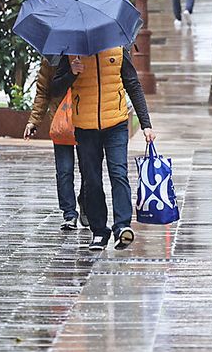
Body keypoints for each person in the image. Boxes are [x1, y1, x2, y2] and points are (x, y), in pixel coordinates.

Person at [42, 47, 154, 251]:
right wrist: (71, 73)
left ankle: (122, 227)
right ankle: (99, 231)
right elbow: (55, 89)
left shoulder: (118, 49)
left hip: (116, 123)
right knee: (91, 179)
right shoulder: (71, 53)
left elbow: (133, 84)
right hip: (85, 127)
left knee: (118, 173)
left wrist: (146, 124)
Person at [25, 56, 80, 231]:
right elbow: (44, 91)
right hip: (61, 121)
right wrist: (34, 120)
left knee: (90, 171)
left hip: (88, 120)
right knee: (64, 171)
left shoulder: (92, 54)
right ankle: (69, 213)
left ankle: (87, 203)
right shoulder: (52, 57)